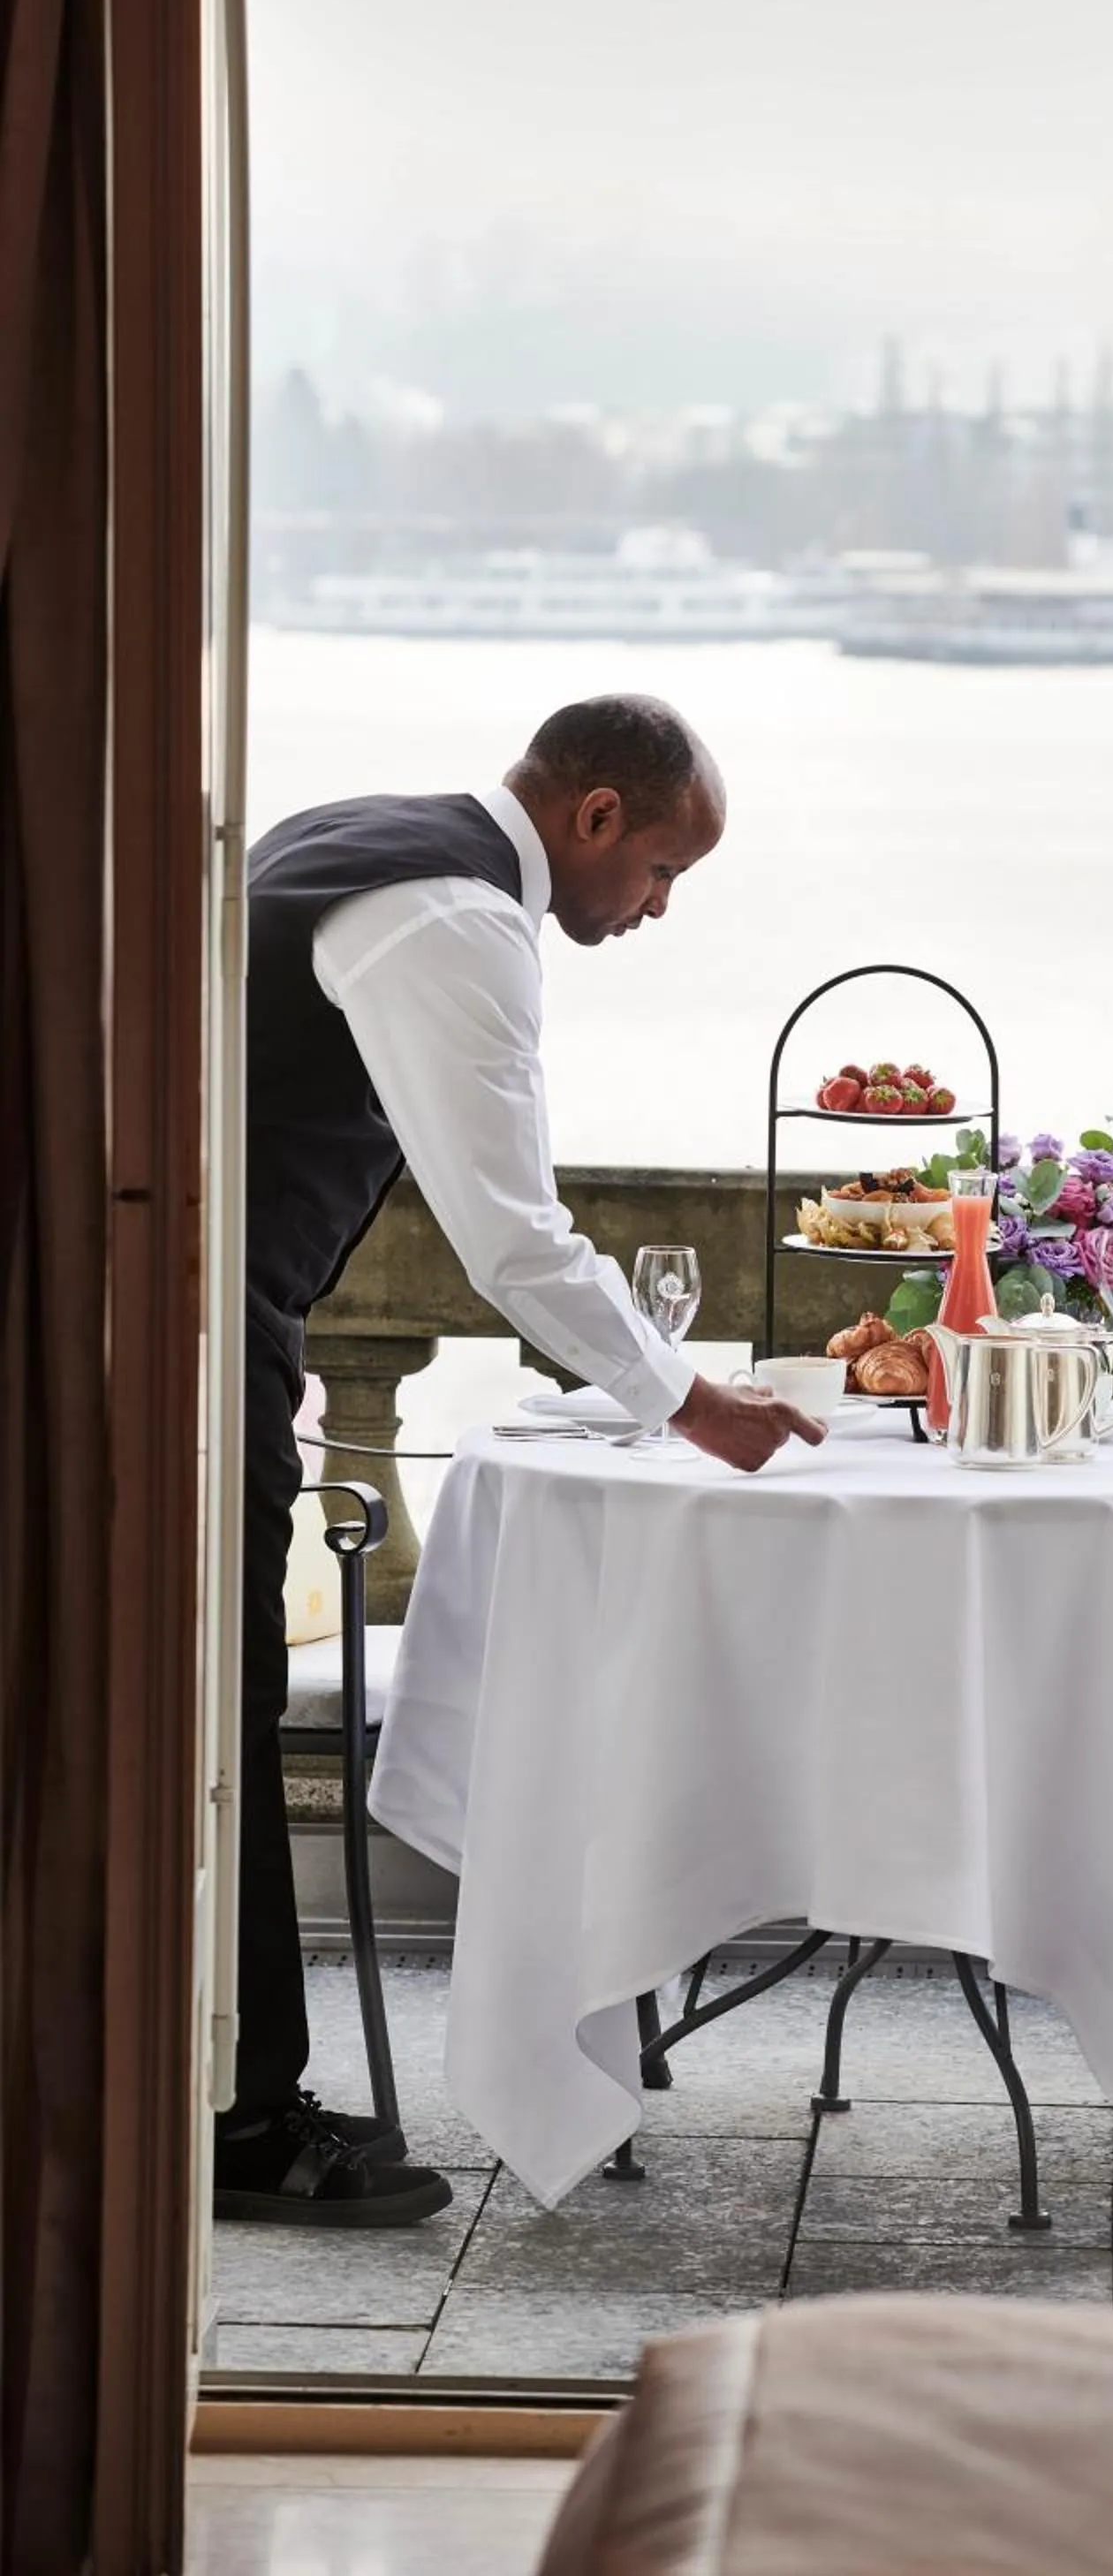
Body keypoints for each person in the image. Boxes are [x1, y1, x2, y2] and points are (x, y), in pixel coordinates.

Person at [219, 694, 824, 2226]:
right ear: (596, 816)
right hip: (197, 1325)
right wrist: (691, 1403)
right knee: (213, 1715)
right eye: (663, 870)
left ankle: (209, 2085)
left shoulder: (347, 834)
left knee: (191, 1711)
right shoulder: (456, 916)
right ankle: (242, 2123)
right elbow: (513, 1238)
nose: (659, 907)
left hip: (193, 1305)